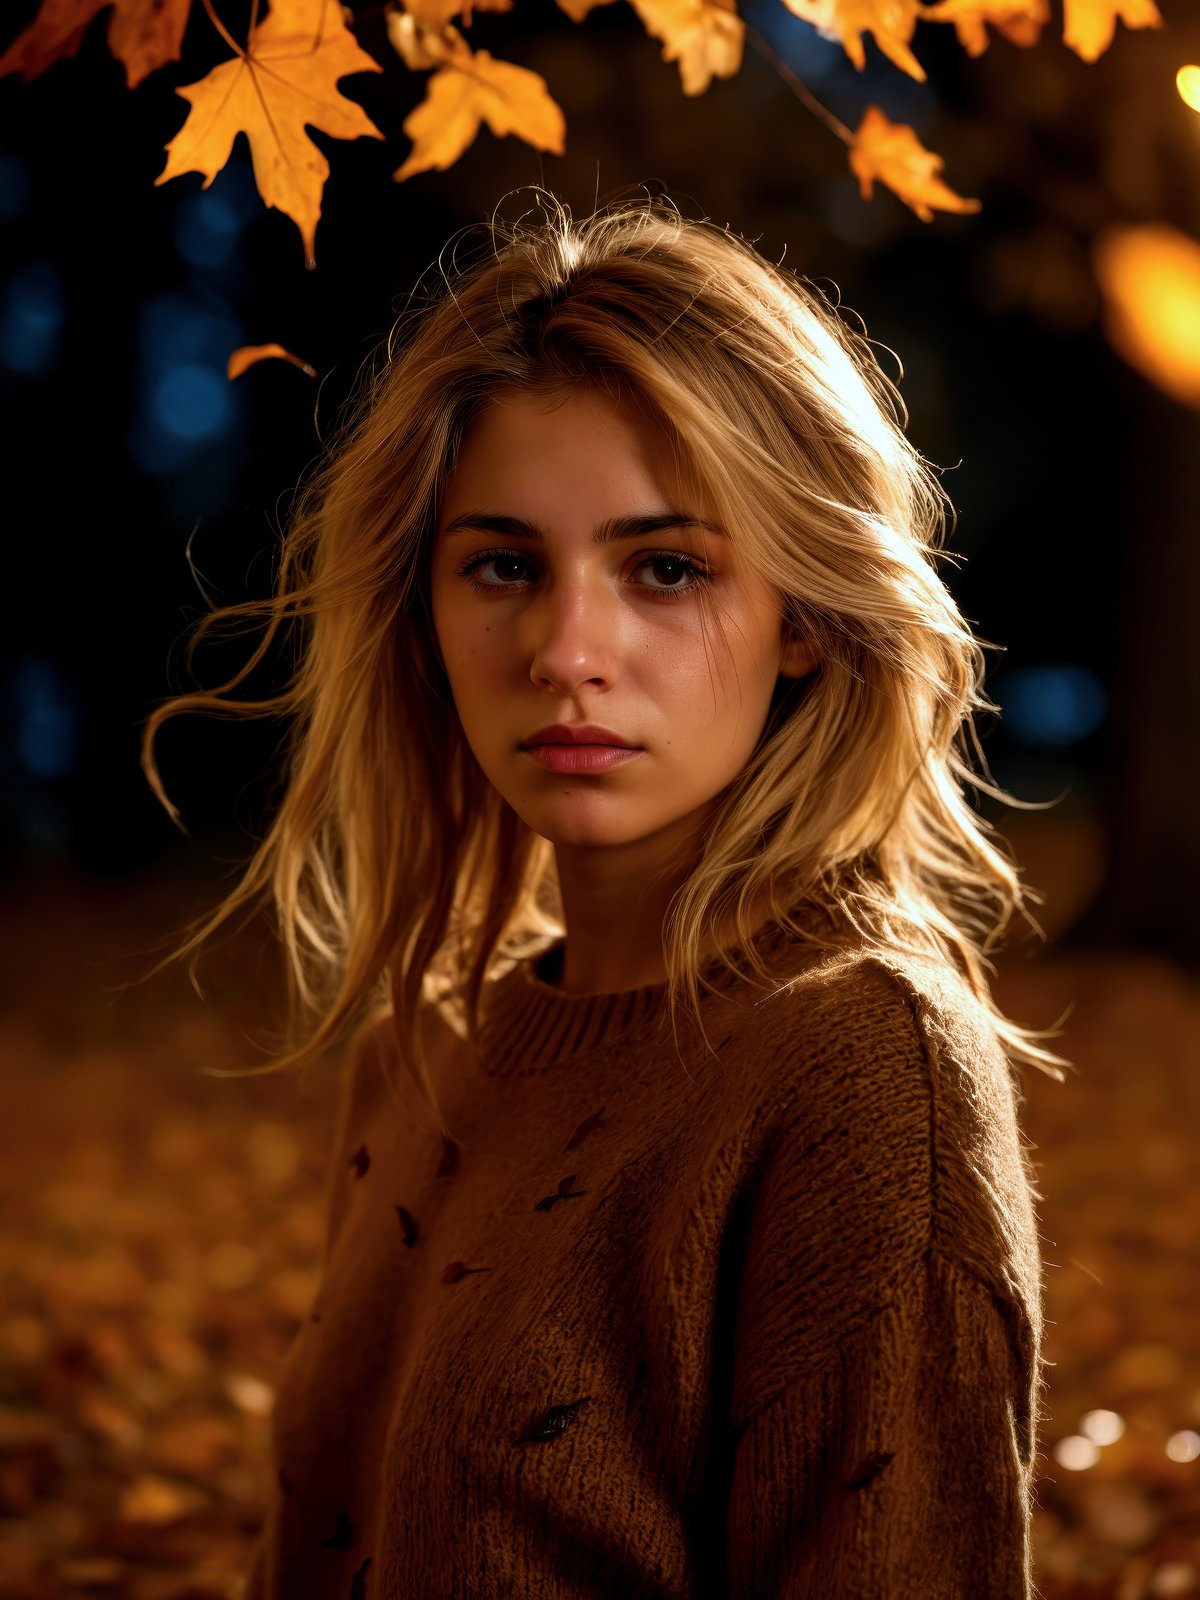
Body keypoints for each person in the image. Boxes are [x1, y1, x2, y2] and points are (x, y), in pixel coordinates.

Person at [144, 189, 1065, 1598]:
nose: (570, 649)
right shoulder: (425, 1048)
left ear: (806, 617)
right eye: (505, 565)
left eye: (666, 568)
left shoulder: (865, 1072)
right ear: (425, 608)